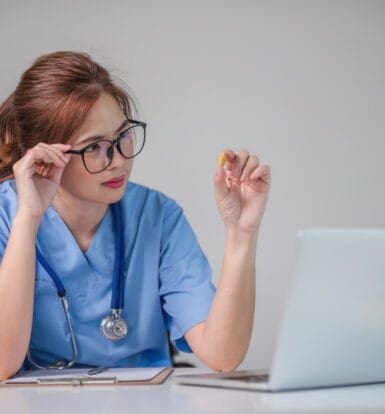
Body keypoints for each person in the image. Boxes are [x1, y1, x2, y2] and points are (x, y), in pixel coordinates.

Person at [0, 51, 271, 380]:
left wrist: (242, 232)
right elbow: (3, 364)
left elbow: (223, 355)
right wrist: (28, 219)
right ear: (43, 155)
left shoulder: (157, 217)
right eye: (94, 147)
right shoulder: (7, 216)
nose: (118, 160)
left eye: (123, 136)